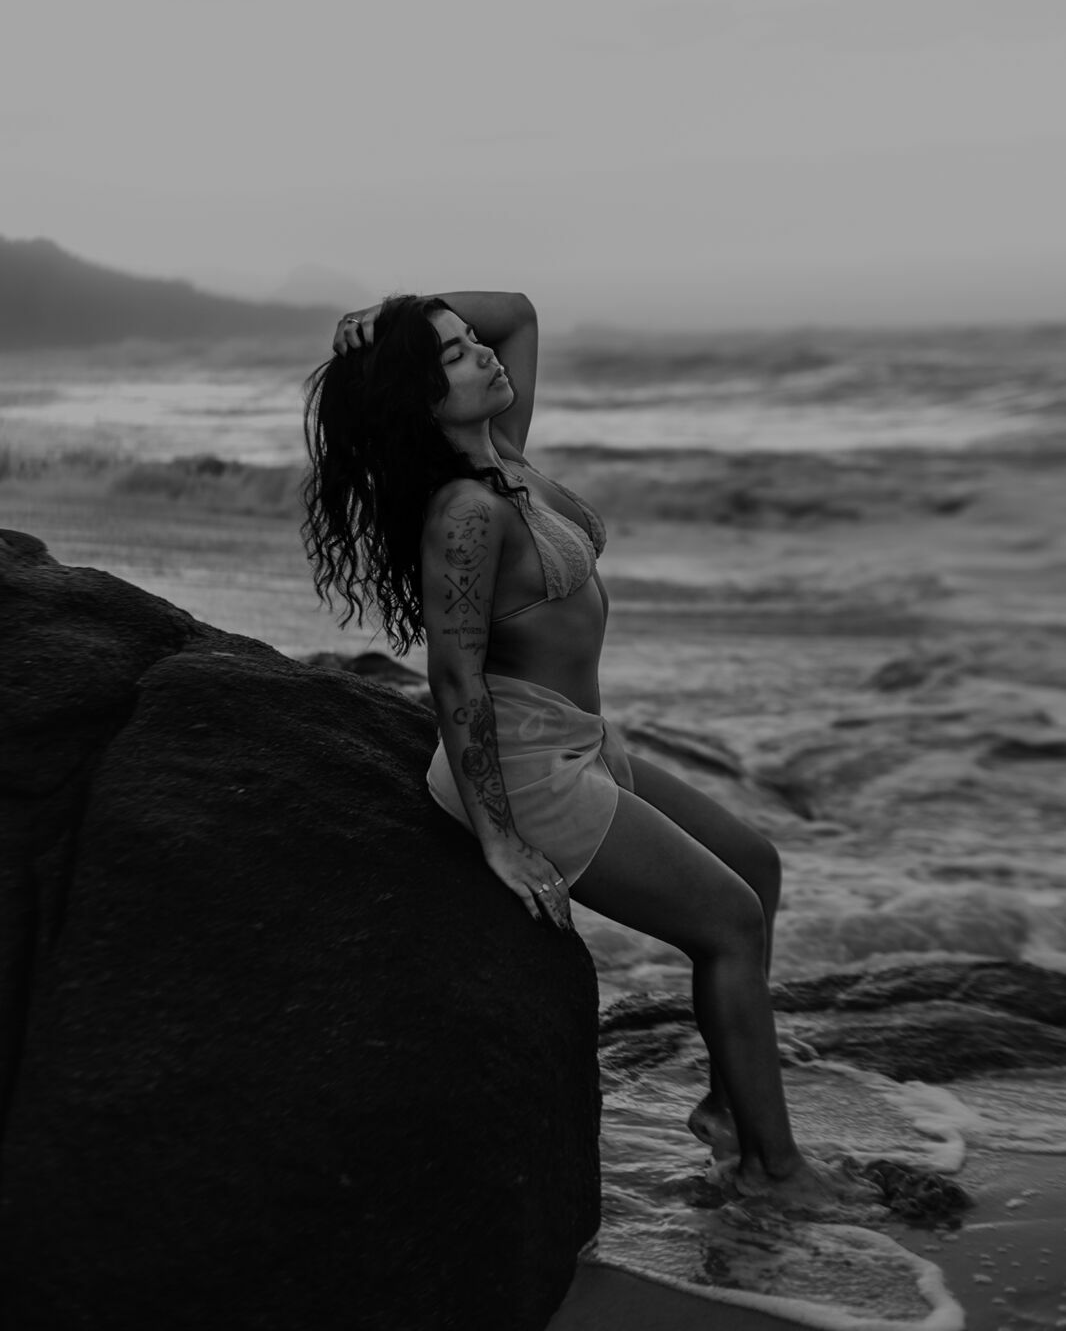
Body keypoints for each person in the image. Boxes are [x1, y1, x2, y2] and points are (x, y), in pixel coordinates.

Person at [302, 290, 870, 1211]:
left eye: (464, 343)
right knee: (728, 923)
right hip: (523, 764)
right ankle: (773, 1169)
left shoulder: (505, 455)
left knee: (754, 867)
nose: (480, 354)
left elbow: (517, 312)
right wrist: (496, 835)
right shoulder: (465, 511)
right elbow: (456, 680)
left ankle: (730, 1113)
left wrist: (394, 310)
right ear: (418, 399)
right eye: (451, 356)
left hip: (579, 739)